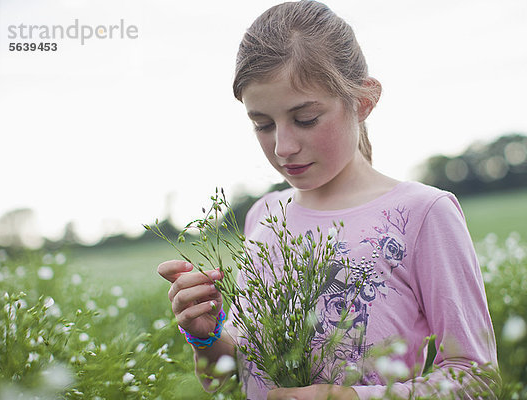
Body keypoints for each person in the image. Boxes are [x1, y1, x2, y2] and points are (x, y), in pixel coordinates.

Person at [158, 1, 499, 399]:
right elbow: (232, 381)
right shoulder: (265, 216)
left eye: (305, 119)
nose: (283, 147)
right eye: (263, 125)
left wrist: (348, 397)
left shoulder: (423, 214)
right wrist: (207, 336)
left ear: (363, 101)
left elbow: (477, 379)